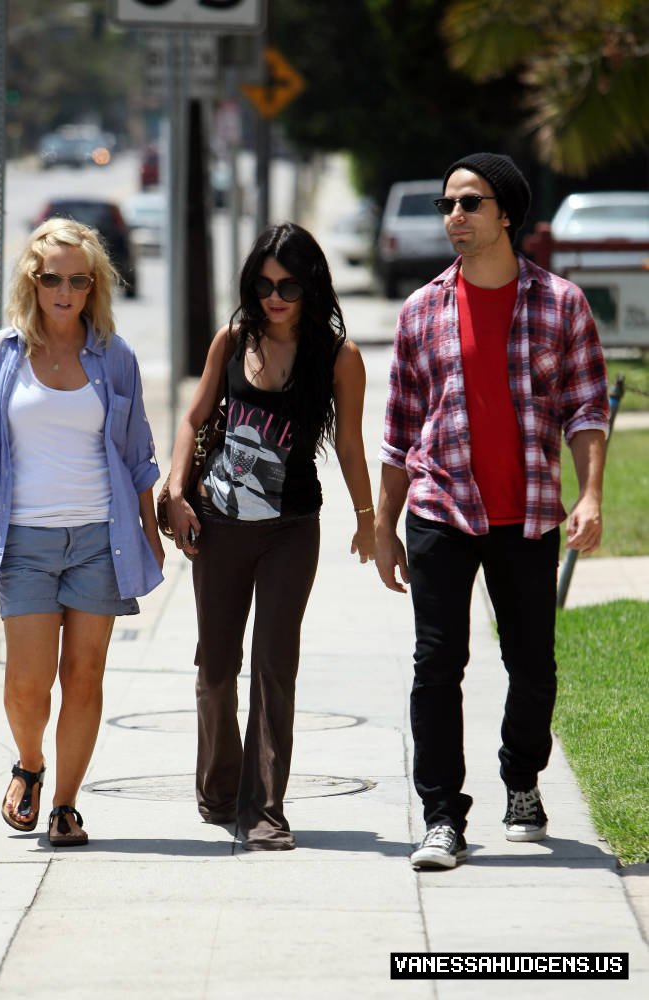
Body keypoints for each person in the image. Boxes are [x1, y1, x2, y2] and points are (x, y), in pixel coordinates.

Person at [374, 153, 609, 869]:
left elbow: (586, 408)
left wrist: (592, 493)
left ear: (504, 213)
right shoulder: (420, 310)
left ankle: (522, 780)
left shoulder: (560, 303)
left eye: (468, 203)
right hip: (441, 510)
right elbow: (398, 427)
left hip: (529, 513)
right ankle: (441, 816)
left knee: (531, 663)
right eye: (448, 203)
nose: (453, 216)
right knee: (436, 665)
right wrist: (383, 528)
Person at [0, 217, 164, 846]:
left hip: (101, 538)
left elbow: (137, 455)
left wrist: (151, 529)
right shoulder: (0, 353)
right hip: (24, 540)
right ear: (33, 281)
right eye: (51, 279)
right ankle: (31, 764)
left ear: (93, 284)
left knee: (85, 676)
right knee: (26, 682)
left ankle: (66, 805)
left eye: (77, 279)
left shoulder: (114, 356)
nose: (64, 291)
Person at [165, 221, 375, 851]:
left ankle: (265, 808)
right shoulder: (232, 340)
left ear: (312, 285)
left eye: (287, 284)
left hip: (291, 528)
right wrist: (176, 492)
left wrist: (369, 519)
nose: (274, 296)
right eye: (262, 283)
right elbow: (195, 417)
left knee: (274, 663)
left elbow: (350, 443)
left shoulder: (339, 358)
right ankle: (219, 788)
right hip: (219, 524)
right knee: (216, 666)